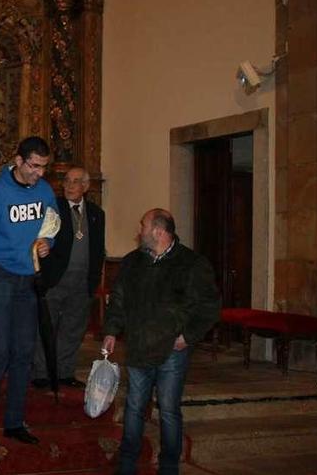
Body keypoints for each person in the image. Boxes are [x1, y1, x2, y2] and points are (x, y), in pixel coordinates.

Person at [102, 209, 220, 475]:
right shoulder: (133, 262)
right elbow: (118, 298)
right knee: (134, 407)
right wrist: (111, 330)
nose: (139, 230)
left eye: (143, 225)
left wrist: (188, 336)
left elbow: (209, 306)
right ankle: (127, 466)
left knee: (168, 410)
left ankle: (169, 468)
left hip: (171, 351)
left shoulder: (191, 263)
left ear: (158, 230)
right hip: (138, 346)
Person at [0, 136, 60, 446]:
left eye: (44, 167)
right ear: (18, 161)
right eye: (34, 166)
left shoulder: (45, 192)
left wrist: (48, 244)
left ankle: (15, 421)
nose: (40, 173)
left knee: (23, 352)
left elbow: (52, 227)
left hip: (27, 278)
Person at [33, 166, 105, 388]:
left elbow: (97, 248)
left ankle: (65, 372)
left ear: (85, 186)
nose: (70, 186)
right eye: (67, 181)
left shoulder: (96, 213)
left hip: (82, 282)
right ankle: (42, 374)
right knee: (45, 327)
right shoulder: (52, 208)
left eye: (76, 182)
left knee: (73, 329)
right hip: (55, 279)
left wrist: (93, 280)